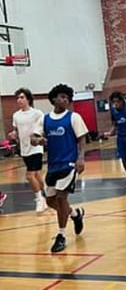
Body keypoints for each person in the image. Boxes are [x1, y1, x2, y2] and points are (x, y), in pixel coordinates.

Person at [31, 84, 87, 253]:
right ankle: (75, 215)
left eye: (67, 98)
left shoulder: (73, 117)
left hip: (69, 164)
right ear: (53, 99)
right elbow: (34, 137)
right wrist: (37, 140)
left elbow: (82, 138)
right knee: (50, 201)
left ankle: (61, 235)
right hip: (53, 165)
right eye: (61, 97)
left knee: (62, 198)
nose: (64, 100)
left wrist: (81, 157)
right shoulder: (45, 119)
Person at [8, 88, 46, 212]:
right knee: (36, 174)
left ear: (28, 99)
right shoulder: (16, 115)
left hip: (36, 148)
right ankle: (48, 194)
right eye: (18, 98)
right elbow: (16, 130)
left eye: (22, 97)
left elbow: (43, 127)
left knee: (30, 176)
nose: (19, 100)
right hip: (24, 149)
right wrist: (13, 134)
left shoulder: (37, 113)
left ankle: (39, 199)